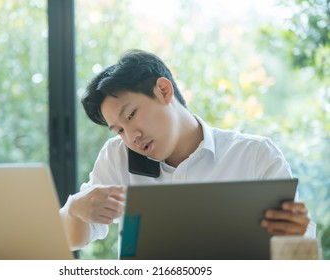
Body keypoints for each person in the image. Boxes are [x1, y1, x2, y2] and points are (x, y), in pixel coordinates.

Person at [59, 49, 315, 251]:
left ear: (163, 90)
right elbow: (70, 240)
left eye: (132, 115)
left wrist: (295, 236)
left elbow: (296, 252)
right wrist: (75, 209)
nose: (132, 137)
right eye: (119, 130)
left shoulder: (254, 155)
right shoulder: (118, 156)